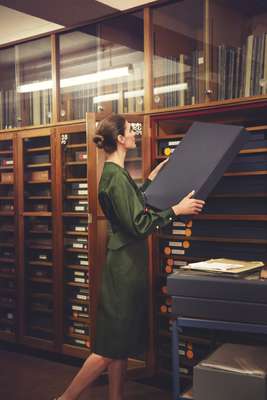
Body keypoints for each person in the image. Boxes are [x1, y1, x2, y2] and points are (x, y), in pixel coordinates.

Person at [55, 114, 205, 400]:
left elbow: (131, 206)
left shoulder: (117, 175)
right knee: (108, 348)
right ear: (121, 140)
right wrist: (177, 210)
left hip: (127, 265)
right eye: (130, 131)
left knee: (119, 343)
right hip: (123, 269)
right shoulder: (114, 178)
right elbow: (138, 224)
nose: (135, 133)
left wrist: (149, 181)